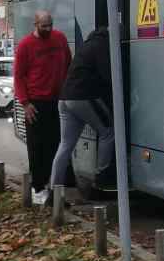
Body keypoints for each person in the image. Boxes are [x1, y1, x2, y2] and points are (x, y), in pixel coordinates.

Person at [48, 26, 116, 198]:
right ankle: (101, 179)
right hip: (83, 97)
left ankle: (54, 191)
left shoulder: (88, 44)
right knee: (108, 132)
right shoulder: (103, 45)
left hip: (64, 99)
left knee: (65, 145)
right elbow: (109, 74)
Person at [14, 11, 71, 206]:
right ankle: (38, 188)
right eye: (44, 26)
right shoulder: (25, 46)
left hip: (58, 100)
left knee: (57, 145)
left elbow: (69, 64)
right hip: (36, 103)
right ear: (35, 23)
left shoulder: (60, 39)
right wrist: (25, 103)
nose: (48, 29)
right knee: (37, 147)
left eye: (50, 25)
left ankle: (55, 189)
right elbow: (19, 76)